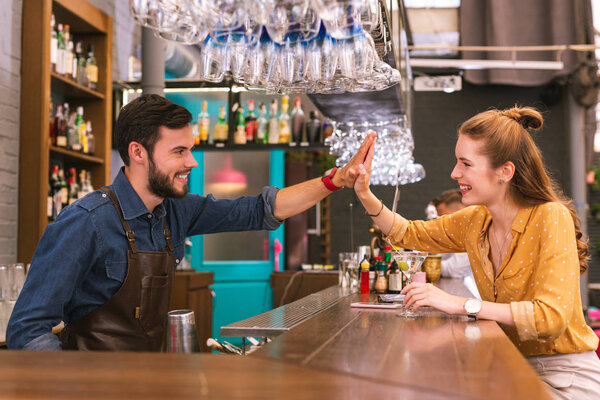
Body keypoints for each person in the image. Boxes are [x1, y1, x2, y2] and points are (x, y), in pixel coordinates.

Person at [7, 94, 376, 351]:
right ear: (138, 152)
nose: (192, 162)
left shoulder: (175, 211)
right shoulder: (85, 222)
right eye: (179, 151)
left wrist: (335, 181)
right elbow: (28, 328)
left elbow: (259, 209)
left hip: (154, 382)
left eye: (191, 149)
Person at [354, 106, 600, 398]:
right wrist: (364, 194)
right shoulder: (476, 220)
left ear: (505, 172)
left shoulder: (550, 217)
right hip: (509, 366)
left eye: (465, 163)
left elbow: (551, 318)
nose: (454, 172)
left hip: (563, 378)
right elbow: (409, 233)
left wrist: (461, 305)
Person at [429, 189, 481, 299]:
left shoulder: (474, 232)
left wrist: (422, 264)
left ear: (461, 211)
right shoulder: (455, 232)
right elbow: (439, 256)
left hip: (475, 299)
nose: (440, 222)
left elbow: (453, 270)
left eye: (444, 217)